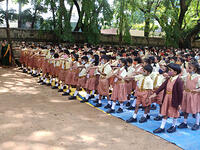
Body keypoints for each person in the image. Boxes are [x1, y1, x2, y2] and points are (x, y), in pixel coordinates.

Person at [150, 63, 184, 133]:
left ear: (175, 72)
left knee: (174, 112)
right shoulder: (169, 79)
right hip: (167, 97)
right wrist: (155, 93)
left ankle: (173, 126)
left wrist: (179, 104)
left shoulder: (178, 81)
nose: (168, 71)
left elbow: (180, 93)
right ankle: (162, 127)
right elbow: (162, 86)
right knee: (165, 112)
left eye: (170, 70)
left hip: (174, 99)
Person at [178, 61, 200, 130]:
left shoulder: (198, 77)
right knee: (185, 109)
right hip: (186, 94)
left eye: (189, 68)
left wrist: (197, 90)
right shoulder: (187, 76)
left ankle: (197, 123)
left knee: (196, 110)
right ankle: (185, 122)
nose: (187, 69)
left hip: (194, 95)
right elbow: (180, 78)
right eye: (187, 67)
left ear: (195, 69)